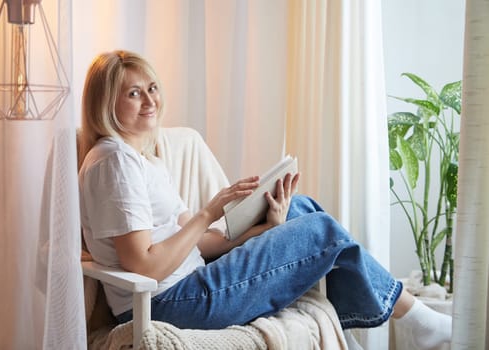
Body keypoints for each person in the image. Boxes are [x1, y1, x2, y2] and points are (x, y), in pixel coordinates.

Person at [78, 49, 452, 349]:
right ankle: (417, 321)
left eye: (152, 87)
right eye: (133, 93)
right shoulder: (114, 162)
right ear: (106, 104)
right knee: (321, 231)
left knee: (300, 209)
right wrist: (209, 211)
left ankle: (387, 324)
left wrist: (263, 228)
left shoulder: (145, 161)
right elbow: (143, 266)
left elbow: (200, 245)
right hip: (166, 304)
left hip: (187, 284)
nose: (149, 100)